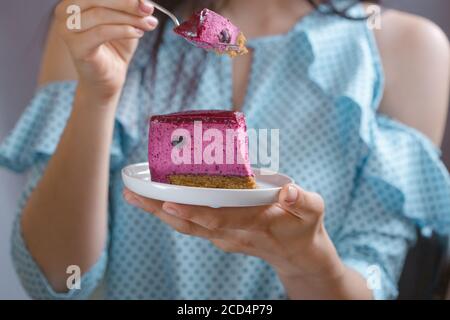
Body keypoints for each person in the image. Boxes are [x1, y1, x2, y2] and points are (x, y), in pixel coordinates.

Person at [0, 0, 449, 300]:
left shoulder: (402, 49)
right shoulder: (100, 24)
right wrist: (97, 94)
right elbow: (58, 278)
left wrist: (310, 262)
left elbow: (373, 280)